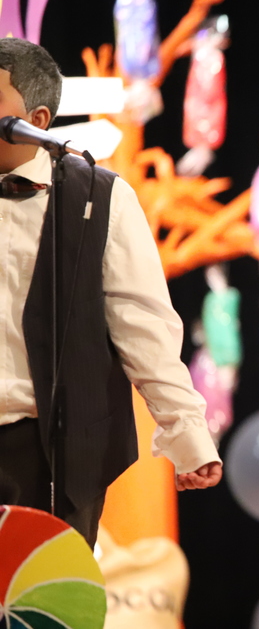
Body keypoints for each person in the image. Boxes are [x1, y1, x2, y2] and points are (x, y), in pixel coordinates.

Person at [0, 38, 221, 548]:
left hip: (55, 449)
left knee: (46, 593)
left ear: (36, 119)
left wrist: (187, 436)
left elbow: (142, 322)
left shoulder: (97, 196)